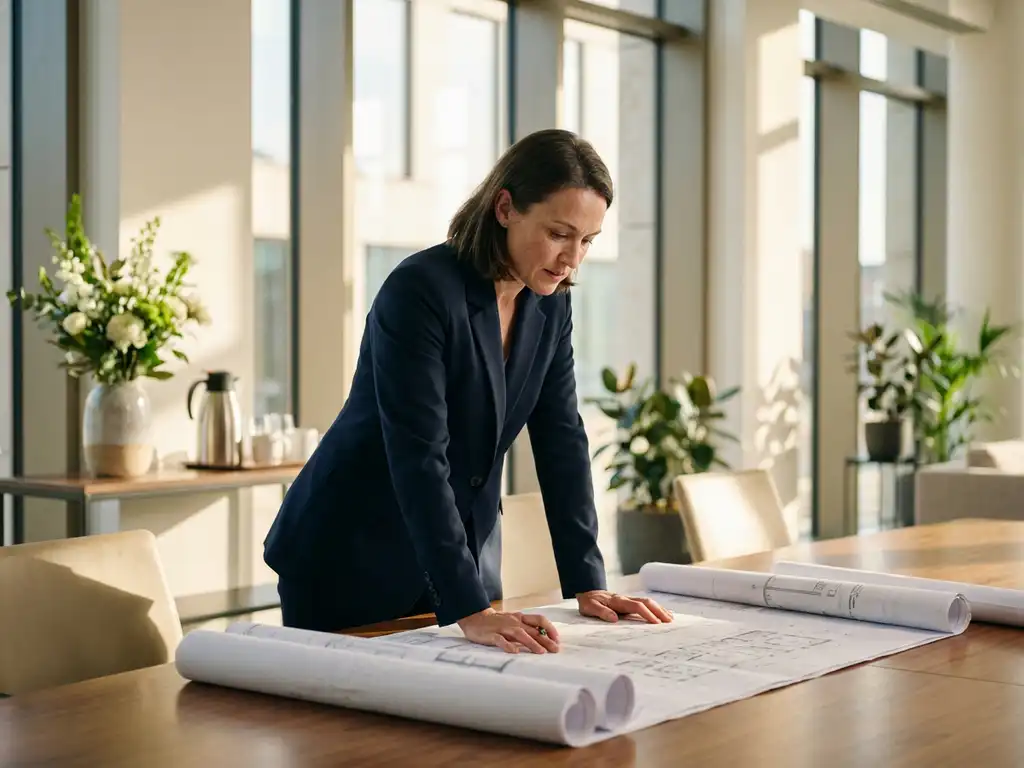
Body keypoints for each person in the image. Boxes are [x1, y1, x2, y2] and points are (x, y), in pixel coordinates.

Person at [263, 128, 672, 654]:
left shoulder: (550, 303)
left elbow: (561, 438)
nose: (573, 258)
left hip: (460, 567)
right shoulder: (421, 291)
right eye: (558, 233)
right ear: (505, 208)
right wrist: (468, 607)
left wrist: (587, 580)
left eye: (587, 241)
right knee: (350, 734)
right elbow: (418, 456)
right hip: (353, 555)